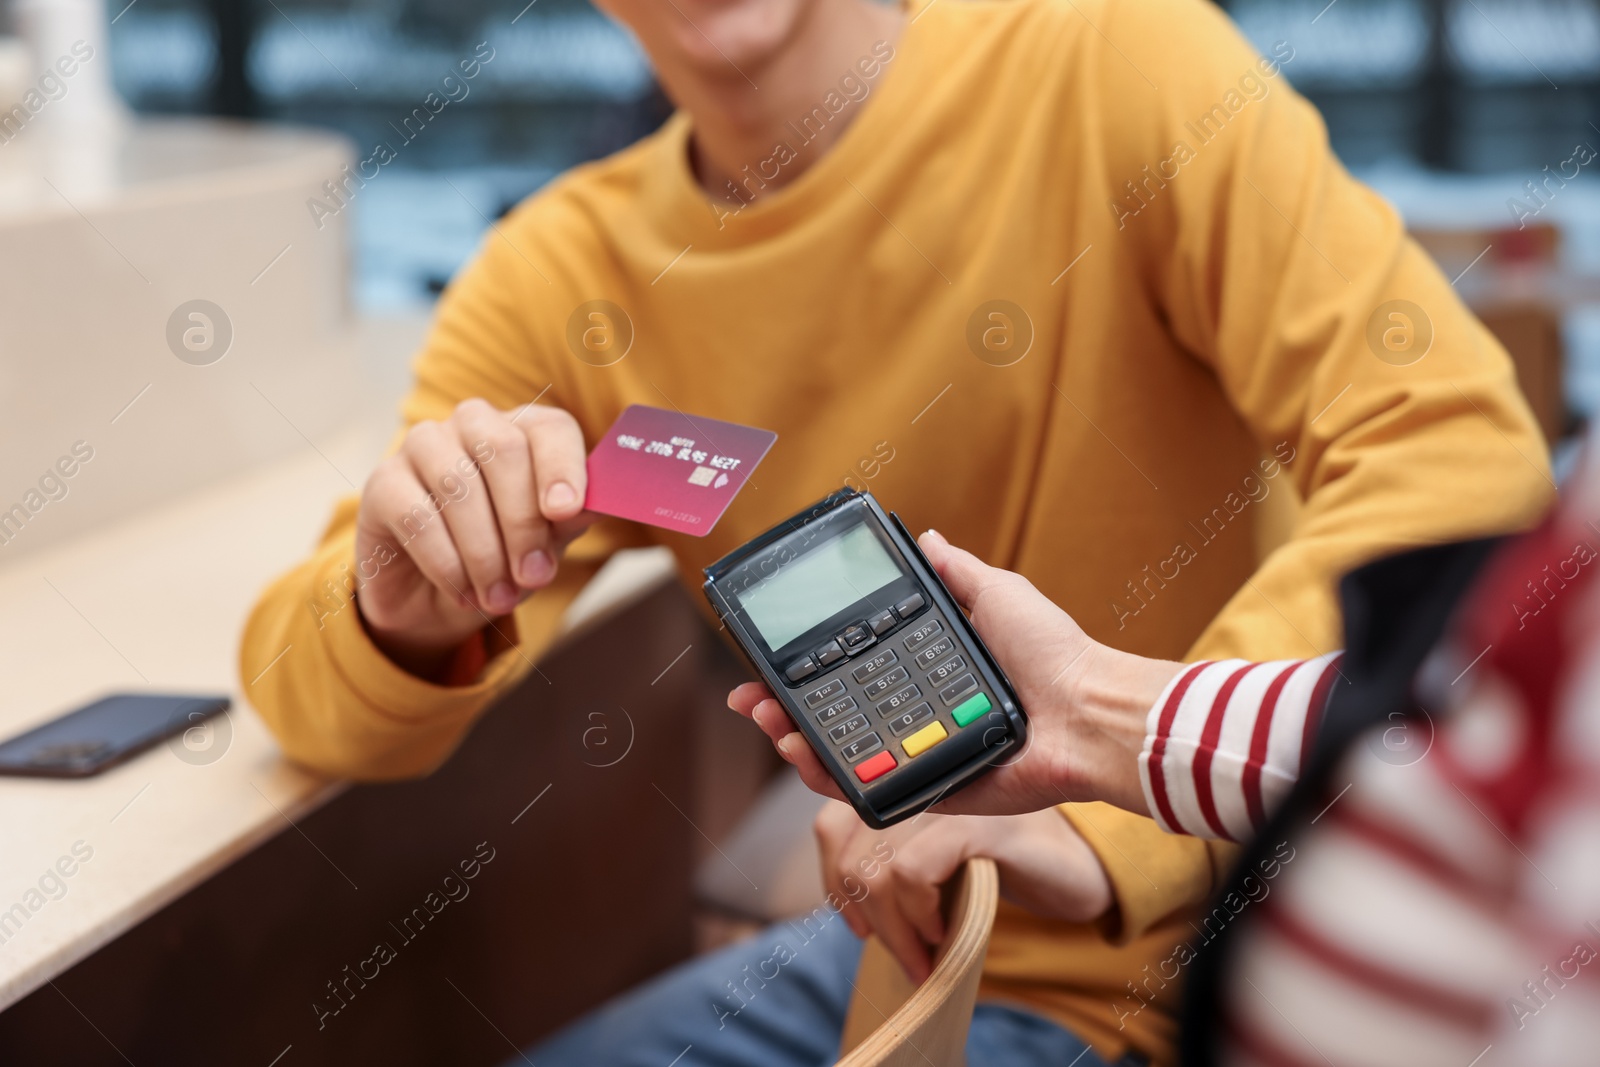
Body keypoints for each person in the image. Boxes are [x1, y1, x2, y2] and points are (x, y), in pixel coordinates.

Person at [240, 0, 1553, 1062]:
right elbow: (312, 703)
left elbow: (1461, 466)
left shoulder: (1115, 64)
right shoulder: (562, 277)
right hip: (903, 957)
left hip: (1223, 945)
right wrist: (393, 608)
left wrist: (1107, 824)